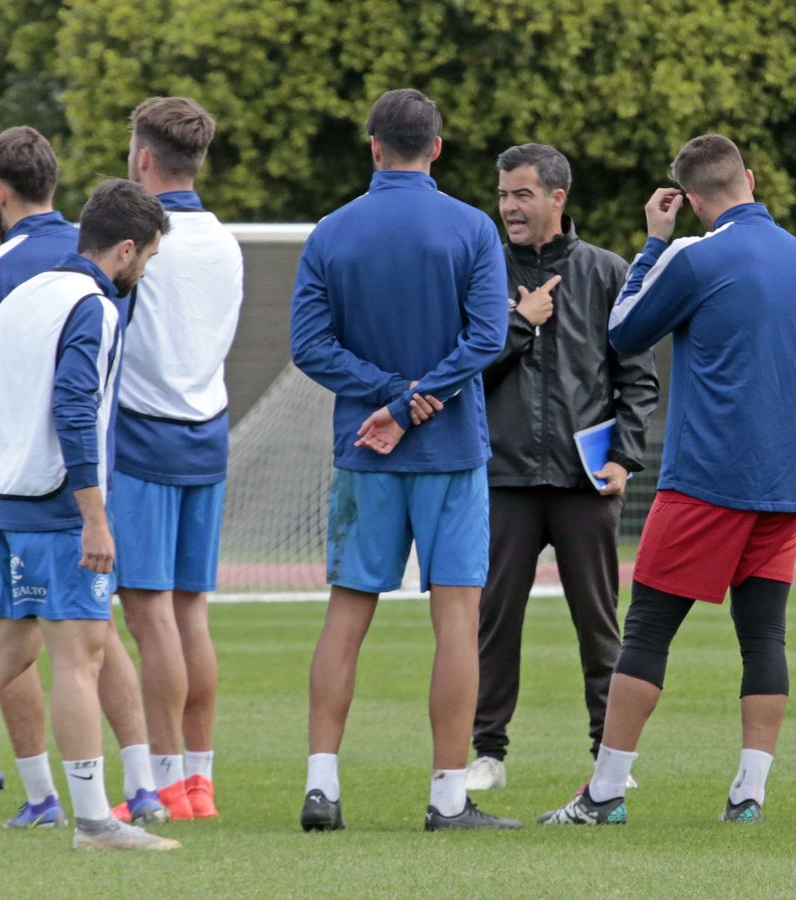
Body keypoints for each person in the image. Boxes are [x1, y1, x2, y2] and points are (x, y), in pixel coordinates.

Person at [539, 134, 796, 827]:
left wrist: (655, 243)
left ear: (690, 198)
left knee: (647, 630)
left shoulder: (693, 254)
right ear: (751, 177)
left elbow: (622, 331)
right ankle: (749, 795)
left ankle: (605, 794)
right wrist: (769, 400)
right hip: (783, 484)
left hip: (706, 480)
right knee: (764, 638)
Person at [0, 179, 179, 852]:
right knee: (83, 656)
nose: (143, 273)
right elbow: (74, 409)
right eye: (148, 260)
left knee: (10, 649)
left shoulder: (18, 296)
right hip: (52, 505)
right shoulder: (95, 307)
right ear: (126, 249)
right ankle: (96, 821)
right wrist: (94, 516)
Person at [289, 88, 517, 832]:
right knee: (456, 620)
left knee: (347, 614)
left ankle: (321, 788)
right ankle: (448, 797)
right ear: (438, 148)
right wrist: (417, 399)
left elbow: (310, 346)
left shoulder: (331, 231)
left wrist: (387, 400)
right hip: (450, 451)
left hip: (365, 453)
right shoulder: (473, 228)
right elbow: (488, 338)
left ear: (374, 146)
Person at [0, 126, 162, 829]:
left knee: (24, 646)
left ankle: (27, 794)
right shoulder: (91, 272)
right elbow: (79, 396)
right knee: (89, 642)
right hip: (70, 489)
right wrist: (95, 507)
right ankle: (131, 793)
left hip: (5, 489)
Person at [466, 143, 657, 792]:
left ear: (557, 198)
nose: (508, 208)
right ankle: (487, 753)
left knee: (600, 622)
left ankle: (609, 755)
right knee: (495, 621)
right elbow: (467, 372)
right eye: (502, 195)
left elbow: (636, 377)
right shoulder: (482, 272)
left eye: (521, 194)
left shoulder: (606, 272)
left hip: (586, 481)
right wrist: (520, 324)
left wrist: (625, 456)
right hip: (503, 477)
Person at [112, 96, 243, 822]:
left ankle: (160, 782)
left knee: (150, 614)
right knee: (191, 613)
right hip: (208, 428)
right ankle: (199, 781)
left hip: (145, 434)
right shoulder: (226, 241)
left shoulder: (138, 238)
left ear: (141, 159)